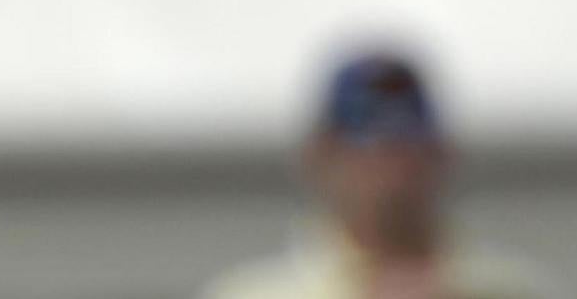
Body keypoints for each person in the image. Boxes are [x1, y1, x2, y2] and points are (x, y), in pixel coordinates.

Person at [201, 50, 556, 299]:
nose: (394, 169)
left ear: (443, 154)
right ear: (320, 156)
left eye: (408, 146)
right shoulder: (256, 294)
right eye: (370, 150)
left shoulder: (503, 289)